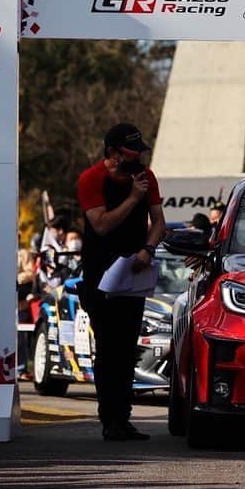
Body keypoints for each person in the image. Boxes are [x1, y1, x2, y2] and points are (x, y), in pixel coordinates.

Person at [77, 123, 166, 441]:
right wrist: (132, 198)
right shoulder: (92, 179)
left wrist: (149, 248)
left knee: (127, 348)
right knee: (109, 347)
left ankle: (124, 417)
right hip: (101, 275)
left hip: (135, 271)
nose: (140, 155)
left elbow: (159, 223)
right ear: (114, 153)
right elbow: (100, 225)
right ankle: (109, 419)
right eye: (133, 150)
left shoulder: (147, 178)